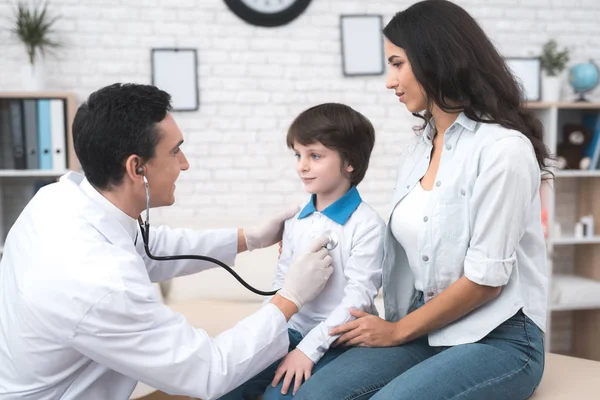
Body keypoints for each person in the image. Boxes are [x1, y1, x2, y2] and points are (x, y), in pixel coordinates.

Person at [0, 83, 335, 400]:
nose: (185, 164)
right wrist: (290, 298)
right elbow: (209, 370)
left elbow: (147, 246)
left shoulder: (58, 199)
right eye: (176, 152)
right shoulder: (99, 282)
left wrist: (249, 238)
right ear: (137, 168)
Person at [294, 1, 549, 399]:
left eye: (397, 64)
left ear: (435, 59)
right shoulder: (418, 148)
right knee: (312, 396)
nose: (389, 80)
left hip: (498, 335)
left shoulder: (503, 149)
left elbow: (486, 281)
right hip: (425, 323)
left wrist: (396, 331)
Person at [219, 103, 386, 400]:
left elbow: (357, 299)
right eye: (298, 155)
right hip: (290, 331)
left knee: (279, 396)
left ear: (349, 162)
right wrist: (262, 335)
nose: (302, 166)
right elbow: (281, 283)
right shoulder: (297, 219)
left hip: (337, 340)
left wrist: (308, 350)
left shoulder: (367, 225)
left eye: (315, 156)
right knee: (224, 384)